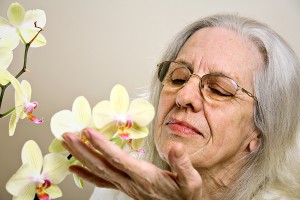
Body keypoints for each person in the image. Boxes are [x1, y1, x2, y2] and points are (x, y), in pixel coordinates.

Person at [62, 14, 300, 200]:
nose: (184, 96)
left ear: (259, 130)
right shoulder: (118, 188)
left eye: (218, 89)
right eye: (177, 77)